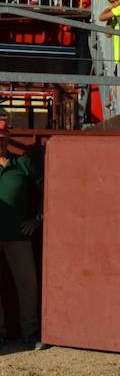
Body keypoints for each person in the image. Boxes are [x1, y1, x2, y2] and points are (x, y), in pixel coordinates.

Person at [0, 116, 43, 349]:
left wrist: (37, 219)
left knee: (28, 284)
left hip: (18, 235)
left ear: (8, 139)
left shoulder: (23, 164)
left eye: (2, 137)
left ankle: (30, 331)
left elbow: (47, 189)